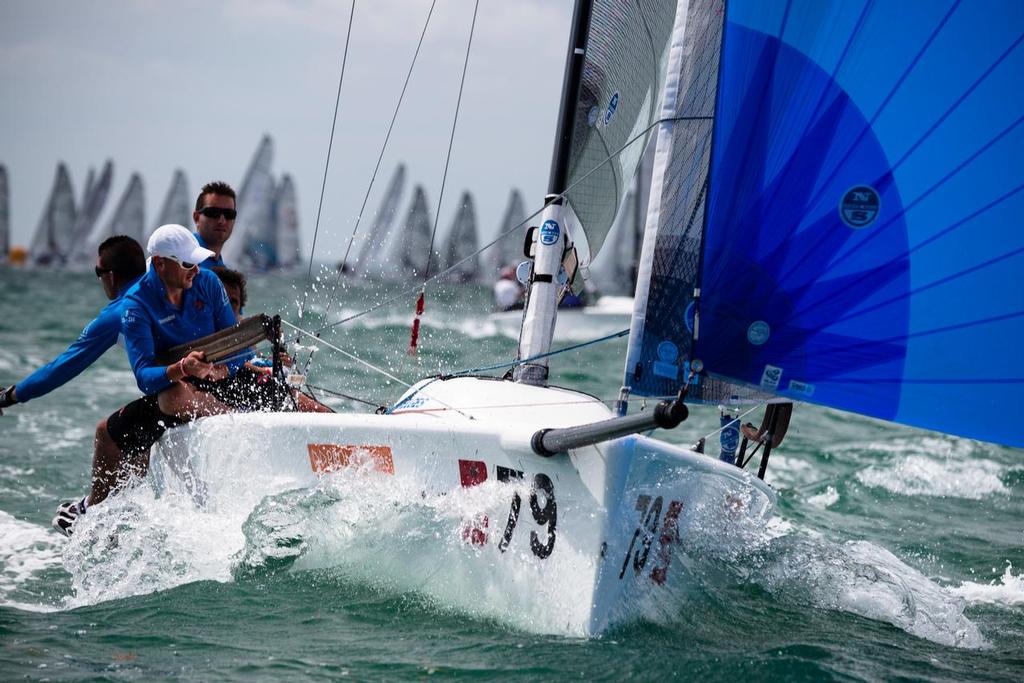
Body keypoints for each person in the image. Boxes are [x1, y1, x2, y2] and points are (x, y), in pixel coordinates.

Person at [0, 236, 145, 413]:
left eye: (98, 272)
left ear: (112, 276)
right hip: (183, 373)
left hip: (172, 389)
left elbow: (63, 367)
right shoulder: (166, 277)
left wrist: (8, 396)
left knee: (104, 437)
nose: (100, 279)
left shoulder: (117, 315)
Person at [192, 181, 237, 269]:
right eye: (213, 213)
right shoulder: (182, 259)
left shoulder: (220, 267)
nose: (222, 221)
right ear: (197, 218)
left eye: (229, 214)